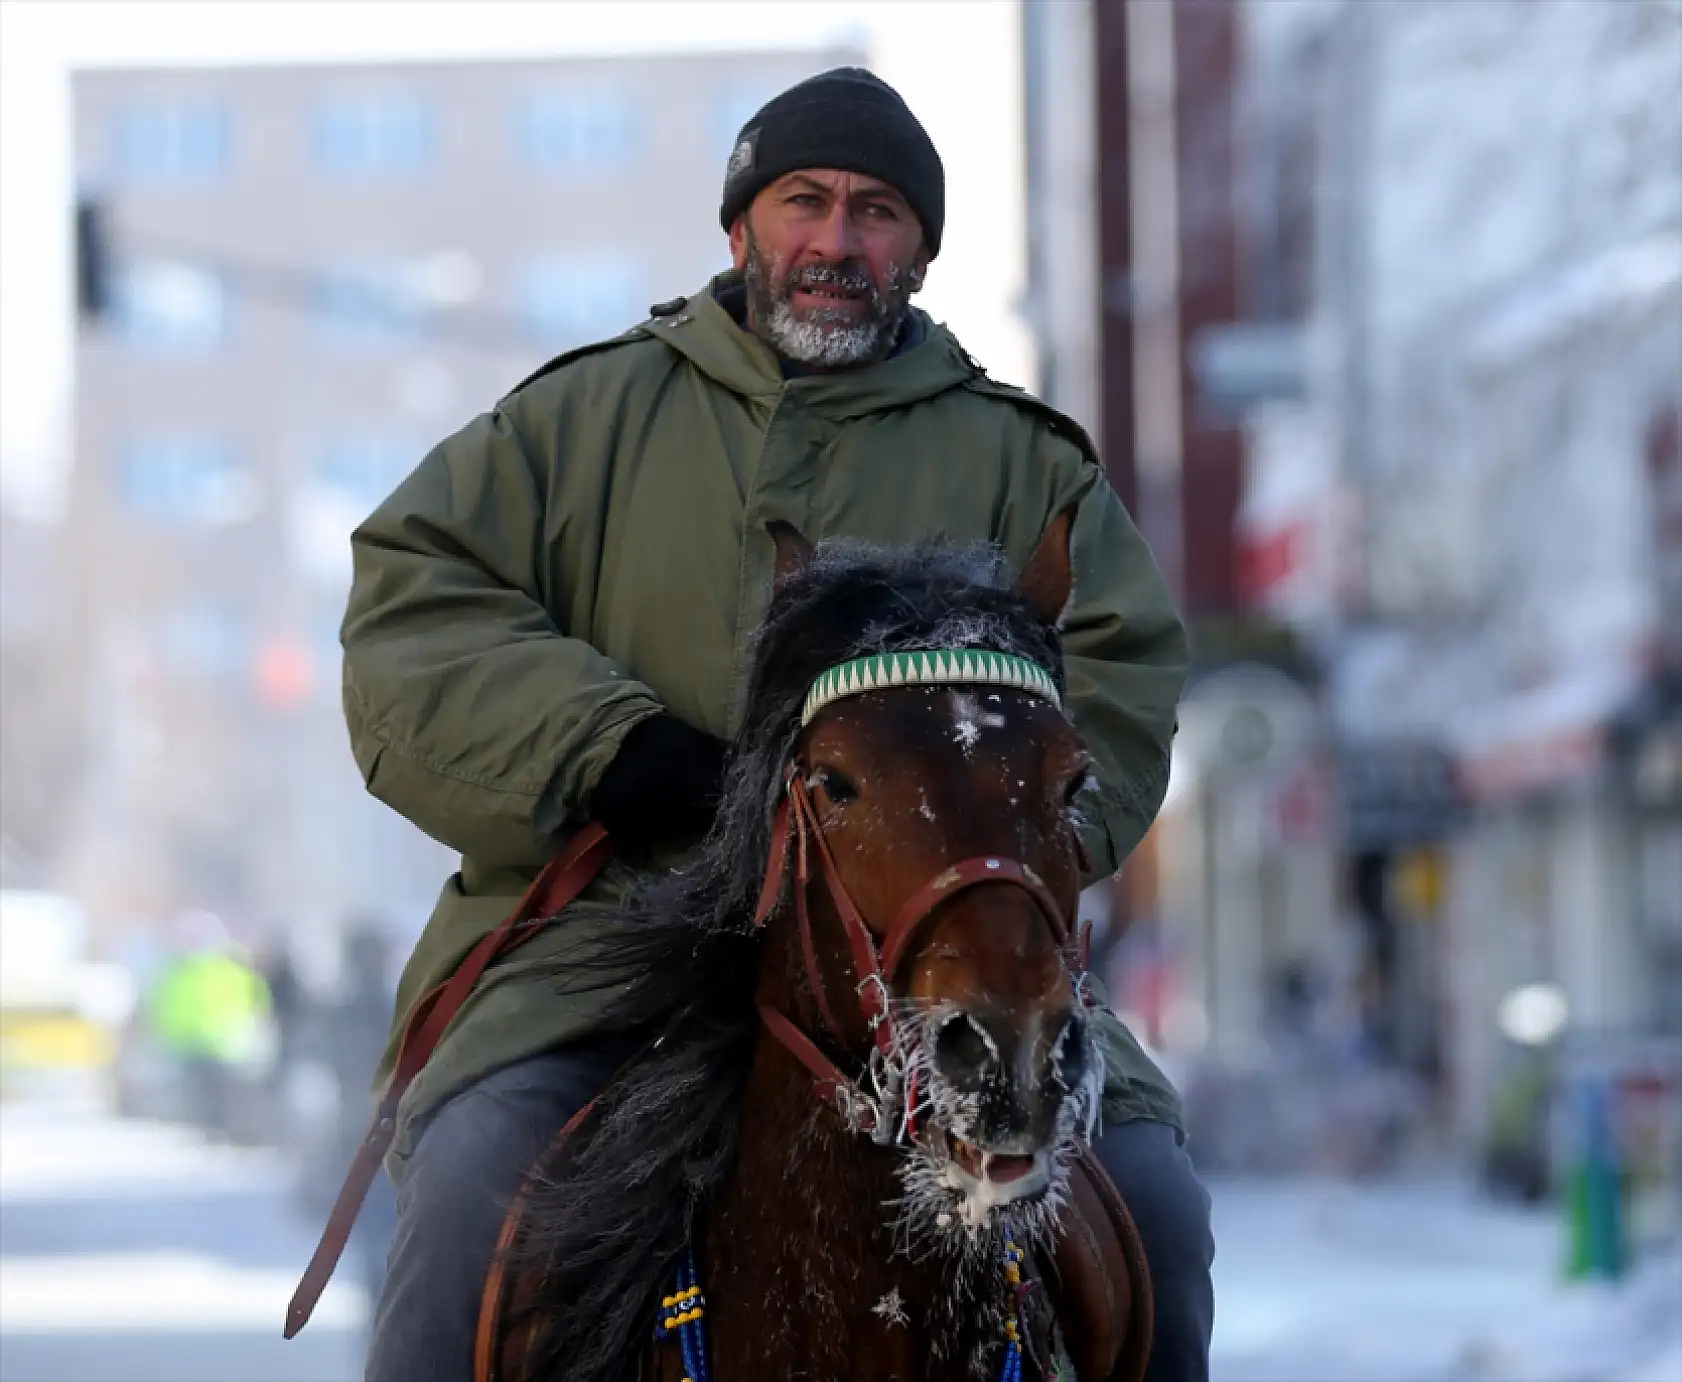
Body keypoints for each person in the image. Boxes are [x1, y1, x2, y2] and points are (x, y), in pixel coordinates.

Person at [342, 67, 1213, 1381]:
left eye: (875, 212)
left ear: (918, 248)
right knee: (472, 1198)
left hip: (937, 960)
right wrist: (610, 748)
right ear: (740, 229)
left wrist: (1010, 850)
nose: (835, 239)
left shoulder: (1024, 462)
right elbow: (414, 607)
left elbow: (1118, 677)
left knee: (1152, 1207)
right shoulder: (574, 421)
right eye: (802, 201)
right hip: (606, 947)